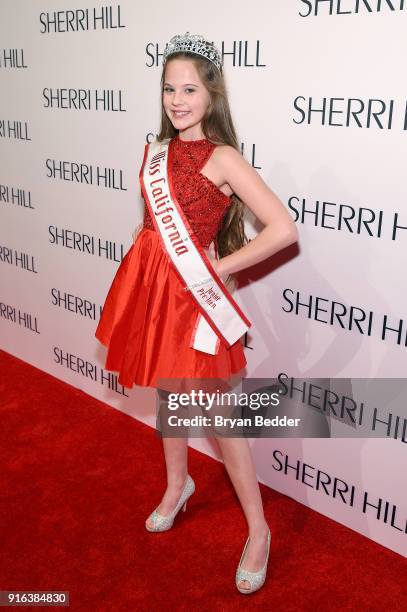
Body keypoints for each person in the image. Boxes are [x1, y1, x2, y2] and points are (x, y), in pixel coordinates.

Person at [95, 32, 298, 594]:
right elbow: (156, 225)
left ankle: (259, 530)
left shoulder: (223, 157)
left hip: (195, 294)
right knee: (168, 393)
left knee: (222, 419)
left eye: (189, 89)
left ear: (212, 95)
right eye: (168, 88)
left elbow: (282, 230)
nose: (177, 100)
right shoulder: (154, 152)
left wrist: (221, 266)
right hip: (153, 287)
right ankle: (177, 485)